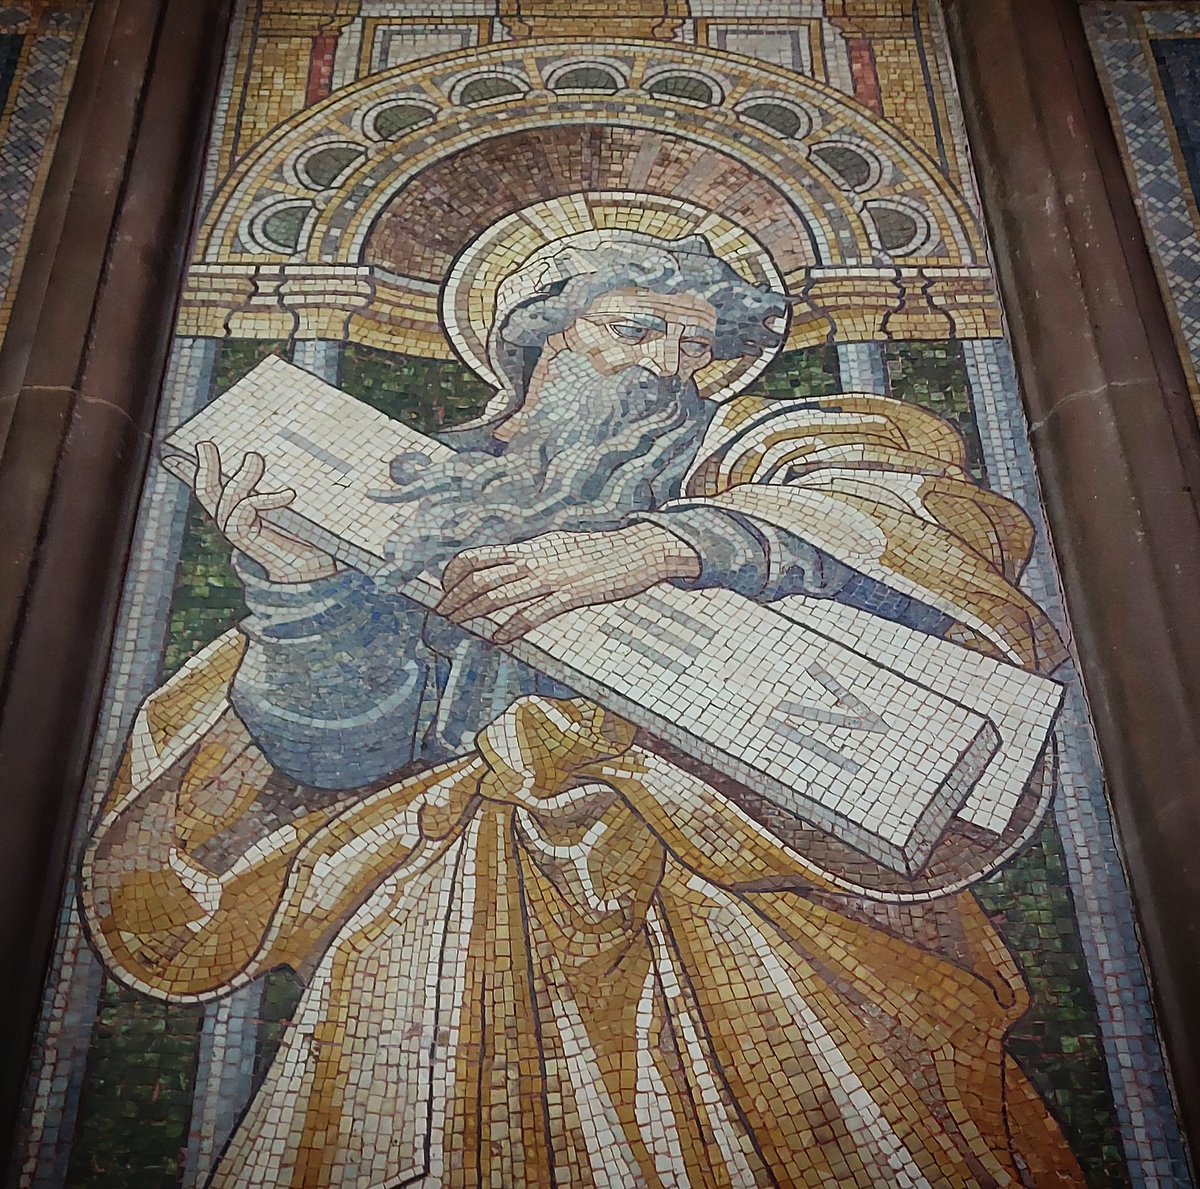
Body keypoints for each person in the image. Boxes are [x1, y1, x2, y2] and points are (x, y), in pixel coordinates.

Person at [82, 233, 1084, 1186]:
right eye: (638, 329)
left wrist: (663, 546)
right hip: (461, 883)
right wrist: (300, 589)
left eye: (700, 346)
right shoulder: (402, 489)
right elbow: (348, 752)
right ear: (541, 334)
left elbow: (906, 524)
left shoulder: (747, 450)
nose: (671, 367)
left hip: (733, 871)